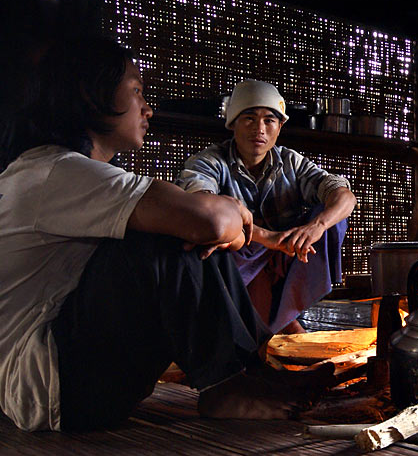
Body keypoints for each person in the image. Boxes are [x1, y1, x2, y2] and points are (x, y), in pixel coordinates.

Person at [0, 37, 328, 432]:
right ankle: (227, 387)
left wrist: (224, 221)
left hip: (67, 379)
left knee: (183, 223)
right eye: (136, 90)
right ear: (91, 94)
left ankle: (249, 374)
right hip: (51, 390)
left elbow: (215, 222)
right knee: (173, 228)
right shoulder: (57, 172)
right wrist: (233, 214)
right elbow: (208, 221)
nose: (147, 107)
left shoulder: (53, 171)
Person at [176, 80, 357, 334]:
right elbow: (199, 206)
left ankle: (283, 317)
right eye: (249, 118)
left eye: (269, 120)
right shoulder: (211, 161)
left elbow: (344, 195)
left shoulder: (291, 163)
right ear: (233, 124)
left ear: (280, 127)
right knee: (209, 229)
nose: (259, 129)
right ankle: (252, 325)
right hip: (234, 258)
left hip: (284, 256)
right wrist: (265, 237)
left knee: (332, 218)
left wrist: (317, 226)